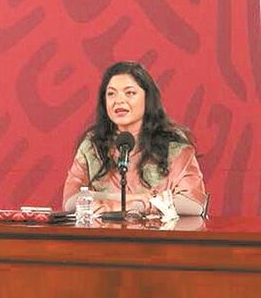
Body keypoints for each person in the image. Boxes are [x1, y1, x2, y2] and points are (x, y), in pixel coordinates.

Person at [62, 61, 207, 216]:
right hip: (105, 237)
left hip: (159, 238)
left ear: (147, 98)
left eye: (129, 93)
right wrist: (135, 199)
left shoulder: (172, 145)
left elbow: (193, 204)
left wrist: (138, 206)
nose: (119, 100)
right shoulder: (93, 145)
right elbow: (70, 202)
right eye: (111, 94)